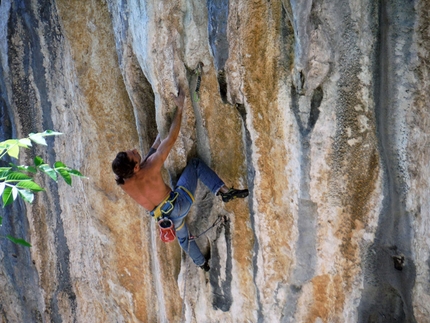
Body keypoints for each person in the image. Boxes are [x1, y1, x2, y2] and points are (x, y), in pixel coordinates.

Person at [111, 85, 249, 271]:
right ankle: (222, 191)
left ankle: (202, 264)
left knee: (183, 238)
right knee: (195, 165)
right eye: (134, 153)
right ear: (135, 167)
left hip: (165, 219)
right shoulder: (150, 167)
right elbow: (172, 139)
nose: (135, 150)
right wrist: (180, 108)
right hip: (179, 203)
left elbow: (150, 154)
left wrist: (162, 128)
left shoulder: (124, 182)